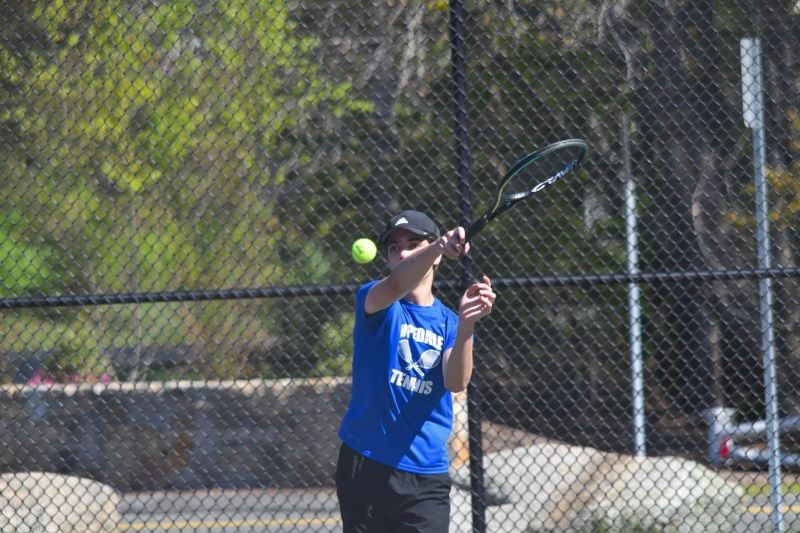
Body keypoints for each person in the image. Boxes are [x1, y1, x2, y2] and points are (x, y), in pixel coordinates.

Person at [336, 209, 496, 532]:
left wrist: (466, 326)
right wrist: (438, 246)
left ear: (436, 260)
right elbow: (397, 283)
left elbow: (456, 380)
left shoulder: (450, 322)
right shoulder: (375, 300)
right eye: (394, 247)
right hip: (364, 465)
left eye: (413, 243)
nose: (404, 252)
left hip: (425, 477)